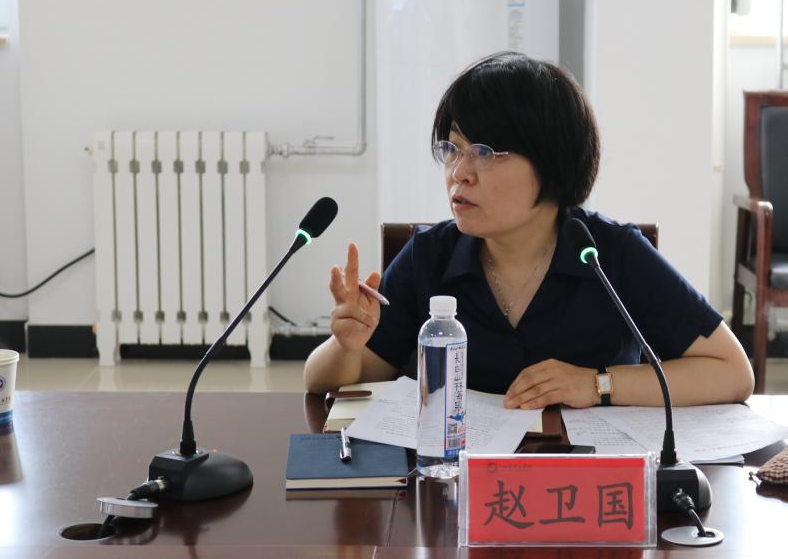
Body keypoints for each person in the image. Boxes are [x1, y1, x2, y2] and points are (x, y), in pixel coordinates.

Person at [304, 52, 754, 408]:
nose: (459, 173)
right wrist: (346, 346)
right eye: (452, 149)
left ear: (550, 161)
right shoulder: (429, 255)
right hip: (453, 480)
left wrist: (597, 384)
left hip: (582, 483)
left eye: (483, 152)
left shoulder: (609, 254)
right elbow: (326, 380)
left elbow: (733, 372)